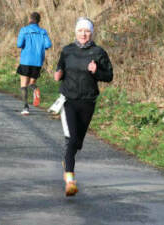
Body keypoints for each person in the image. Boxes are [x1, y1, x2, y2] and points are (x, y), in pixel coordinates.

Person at [54, 17, 113, 196]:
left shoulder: (99, 52)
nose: (83, 34)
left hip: (88, 101)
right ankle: (70, 179)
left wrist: (97, 72)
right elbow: (59, 68)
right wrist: (58, 73)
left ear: (91, 33)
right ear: (75, 32)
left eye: (86, 31)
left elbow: (109, 76)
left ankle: (68, 158)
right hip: (69, 100)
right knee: (71, 140)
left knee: (78, 143)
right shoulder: (67, 51)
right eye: (80, 30)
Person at [16, 12, 52, 115]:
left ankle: (25, 108)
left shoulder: (24, 30)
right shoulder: (43, 32)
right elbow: (48, 44)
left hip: (26, 60)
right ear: (39, 21)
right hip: (37, 61)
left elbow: (19, 44)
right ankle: (35, 89)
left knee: (23, 85)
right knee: (31, 83)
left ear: (30, 19)